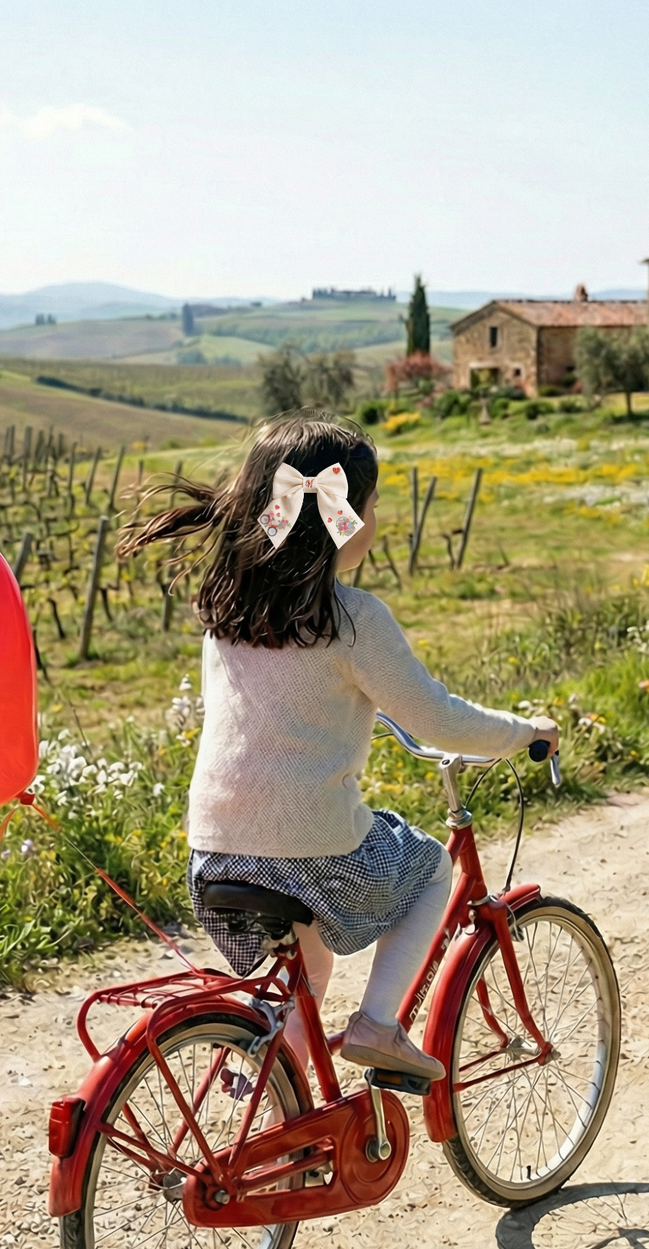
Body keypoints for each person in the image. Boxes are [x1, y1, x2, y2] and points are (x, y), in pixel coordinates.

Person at [118, 412, 557, 1080]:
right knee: (432, 869)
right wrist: (522, 732)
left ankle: (271, 1096)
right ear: (338, 519)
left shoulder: (224, 613)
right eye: (371, 506)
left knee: (307, 972)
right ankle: (378, 1024)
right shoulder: (351, 620)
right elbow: (437, 718)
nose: (374, 521)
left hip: (214, 853)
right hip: (311, 850)